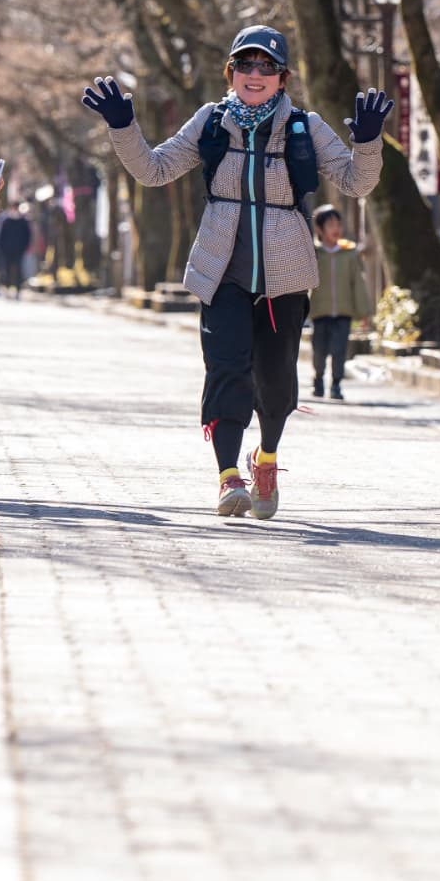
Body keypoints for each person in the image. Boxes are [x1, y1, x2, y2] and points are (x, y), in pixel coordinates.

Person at [83, 26, 392, 519]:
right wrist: (124, 126)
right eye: (245, 65)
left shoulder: (305, 126)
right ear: (231, 72)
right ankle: (229, 476)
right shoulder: (211, 120)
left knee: (275, 383)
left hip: (284, 276)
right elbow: (154, 170)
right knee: (226, 371)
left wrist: (370, 142)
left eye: (266, 67)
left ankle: (265, 457)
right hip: (220, 271)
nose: (255, 74)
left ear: (282, 78)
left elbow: (356, 184)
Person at [308, 204, 371, 400]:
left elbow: (358, 284)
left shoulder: (349, 254)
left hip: (344, 312)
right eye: (330, 225)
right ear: (319, 229)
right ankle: (318, 378)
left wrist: (363, 312)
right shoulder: (314, 254)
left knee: (339, 350)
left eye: (338, 224)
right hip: (320, 312)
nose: (335, 229)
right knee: (319, 350)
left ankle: (335, 384)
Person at [0, 203, 33, 299]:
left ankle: (18, 289)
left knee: (19, 270)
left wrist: (24, 248)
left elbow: (27, 236)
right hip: (6, 251)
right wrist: (1, 248)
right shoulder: (6, 221)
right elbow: (0, 236)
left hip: (19, 250)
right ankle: (7, 288)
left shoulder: (23, 221)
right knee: (6, 270)